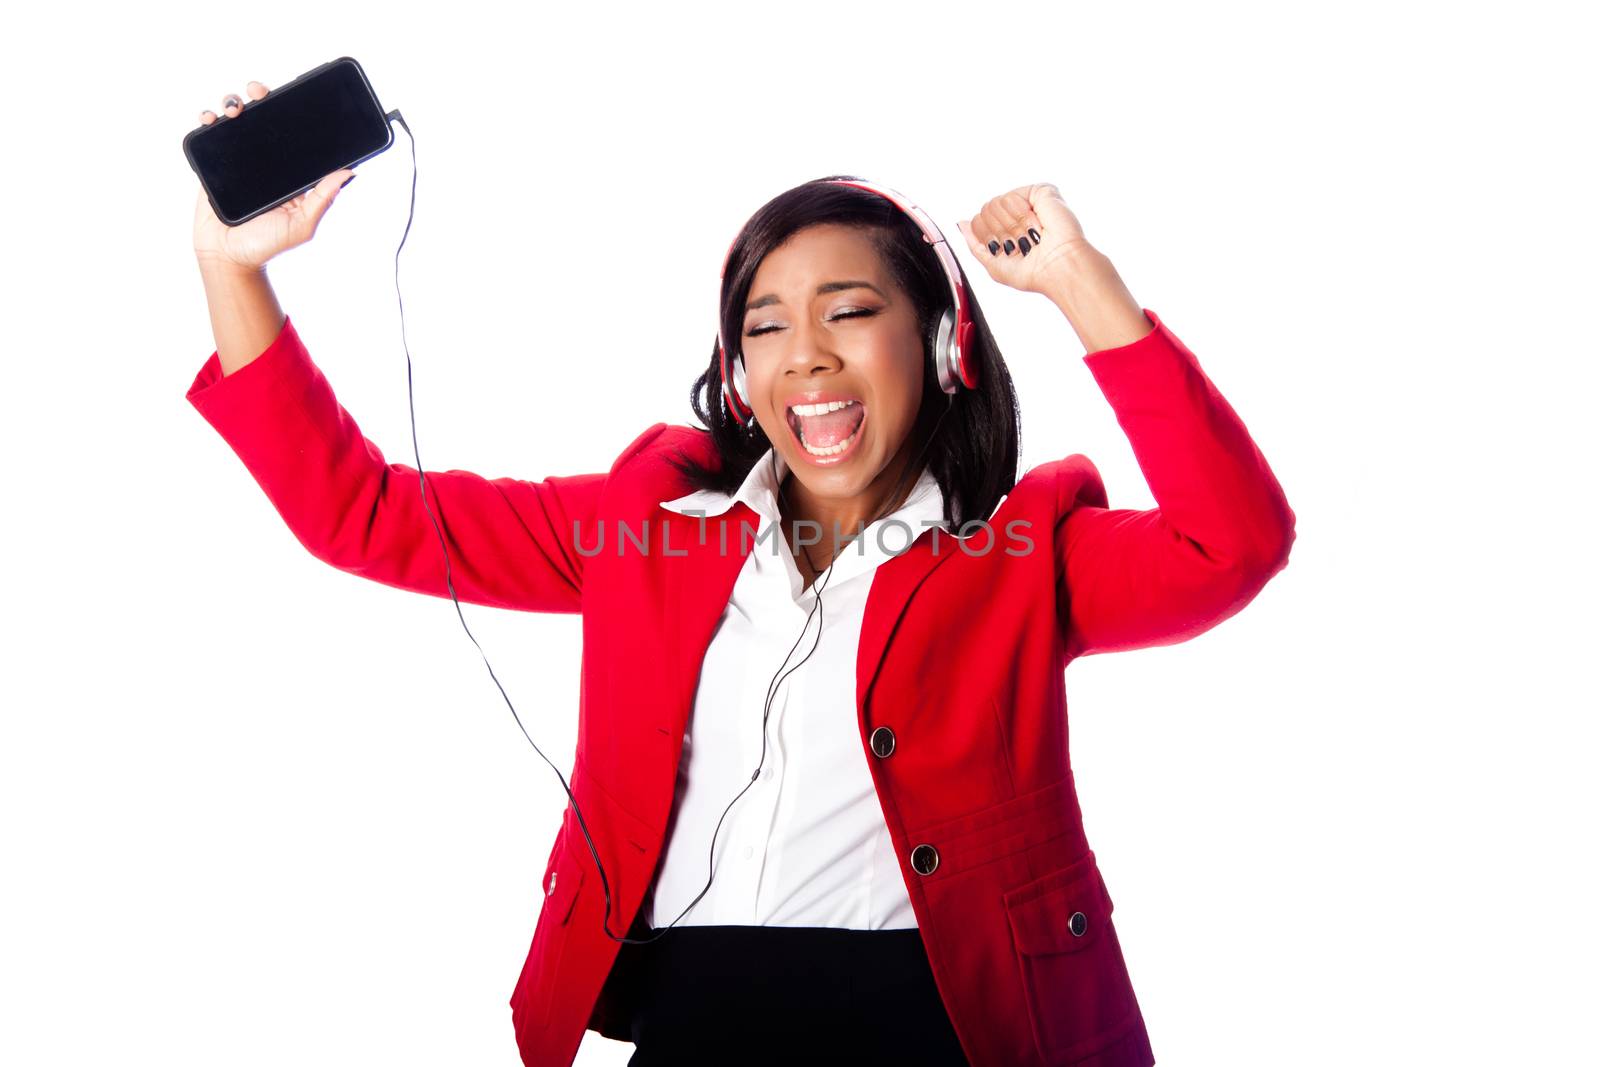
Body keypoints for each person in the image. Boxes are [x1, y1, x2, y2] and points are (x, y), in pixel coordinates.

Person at [188, 80, 1293, 1067]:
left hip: (940, 1027)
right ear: (736, 370)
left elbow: (1232, 542)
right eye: (765, 327)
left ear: (945, 343)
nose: (804, 353)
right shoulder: (642, 534)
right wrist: (229, 266)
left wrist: (1081, 286)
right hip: (695, 1021)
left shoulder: (1019, 555)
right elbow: (362, 512)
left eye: (851, 313)